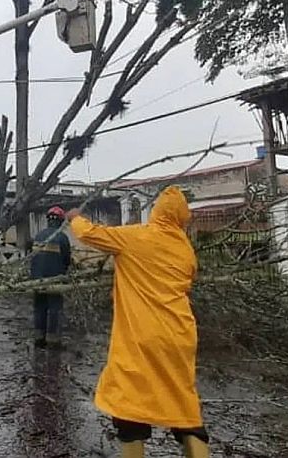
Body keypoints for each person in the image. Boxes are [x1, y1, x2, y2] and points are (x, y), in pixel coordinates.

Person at [67, 186, 209, 458]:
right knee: (183, 404)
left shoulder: (137, 237)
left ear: (156, 211)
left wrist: (75, 217)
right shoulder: (185, 249)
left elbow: (91, 234)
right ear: (181, 216)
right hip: (180, 335)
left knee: (129, 404)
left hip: (141, 336)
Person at [29, 206, 71, 348]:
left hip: (36, 279)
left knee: (40, 308)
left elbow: (33, 259)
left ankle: (38, 339)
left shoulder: (38, 235)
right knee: (54, 309)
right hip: (54, 279)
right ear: (60, 221)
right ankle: (53, 341)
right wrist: (64, 274)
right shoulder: (62, 237)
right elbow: (66, 260)